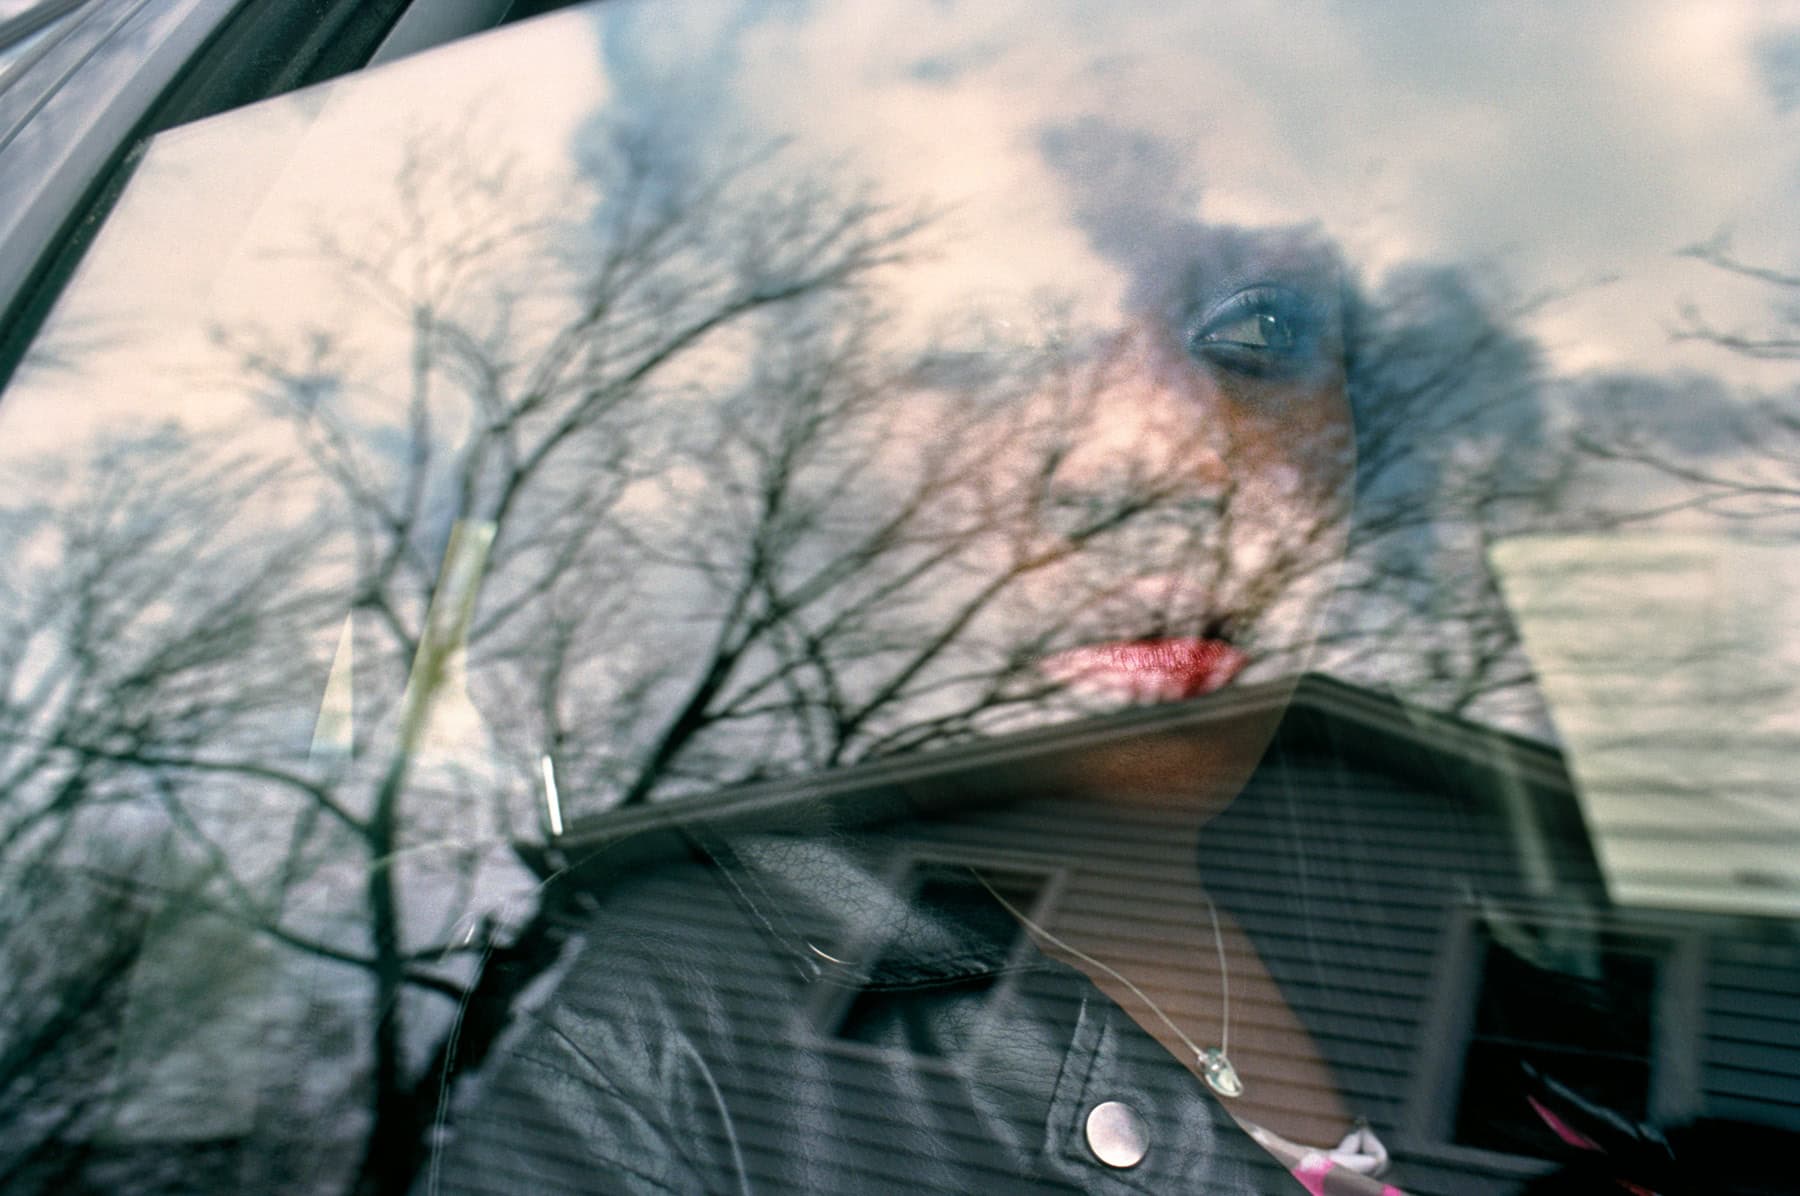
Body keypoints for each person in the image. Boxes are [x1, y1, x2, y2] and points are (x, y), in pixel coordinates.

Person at [432, 210, 1392, 1193]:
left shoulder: (1435, 888)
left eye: (1264, 335)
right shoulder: (662, 1025)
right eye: (989, 340)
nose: (1155, 460)